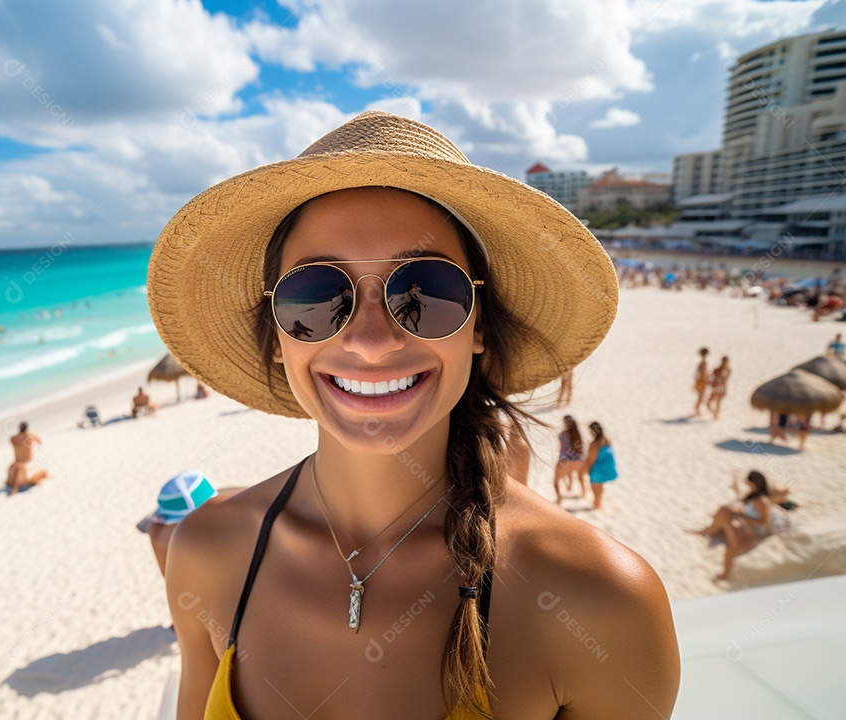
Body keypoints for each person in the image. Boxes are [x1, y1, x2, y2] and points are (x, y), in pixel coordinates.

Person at [149, 112, 678, 718]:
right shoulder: (207, 551)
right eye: (315, 298)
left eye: (426, 289)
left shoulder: (604, 602)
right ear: (276, 336)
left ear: (478, 322)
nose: (371, 341)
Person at [693, 472, 785, 581]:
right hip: (746, 525)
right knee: (724, 511)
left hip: (755, 531)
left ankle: (725, 575)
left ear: (753, 483)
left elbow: (764, 522)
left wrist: (742, 516)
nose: (745, 481)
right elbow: (742, 501)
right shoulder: (752, 494)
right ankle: (709, 531)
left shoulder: (761, 501)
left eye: (747, 481)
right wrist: (735, 489)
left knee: (731, 545)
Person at [553, 415, 587, 502]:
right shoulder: (578, 434)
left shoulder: (562, 434)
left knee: (556, 480)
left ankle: (559, 498)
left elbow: (561, 448)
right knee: (581, 478)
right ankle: (584, 495)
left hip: (566, 460)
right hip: (579, 460)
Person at [8, 421, 47, 495]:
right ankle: (16, 487)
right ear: (27, 428)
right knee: (44, 472)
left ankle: (15, 486)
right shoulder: (30, 436)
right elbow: (40, 441)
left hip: (15, 464)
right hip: (26, 464)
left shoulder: (13, 438)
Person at [585, 421, 618, 510]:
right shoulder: (607, 440)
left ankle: (597, 504)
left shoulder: (594, 444)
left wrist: (588, 469)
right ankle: (599, 503)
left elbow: (591, 459)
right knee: (600, 487)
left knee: (595, 488)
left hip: (597, 469)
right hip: (606, 468)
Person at [706, 355, 731, 420]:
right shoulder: (727, 370)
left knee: (710, 403)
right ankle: (715, 414)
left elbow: (712, 378)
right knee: (717, 403)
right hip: (721, 388)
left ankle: (715, 414)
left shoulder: (719, 369)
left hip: (717, 388)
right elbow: (725, 380)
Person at [693, 347, 710, 416]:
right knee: (701, 396)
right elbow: (703, 373)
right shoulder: (704, 362)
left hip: (700, 381)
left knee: (700, 396)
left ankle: (697, 410)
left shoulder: (702, 362)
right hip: (702, 381)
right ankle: (697, 410)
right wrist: (706, 379)